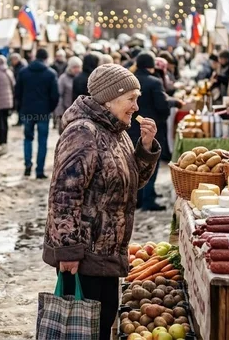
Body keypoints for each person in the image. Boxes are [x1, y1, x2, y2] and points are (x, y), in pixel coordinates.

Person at [43, 64, 161, 340]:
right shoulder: (83, 133)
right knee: (83, 329)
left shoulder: (116, 131)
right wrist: (68, 250)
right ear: (110, 99)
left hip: (107, 252)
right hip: (85, 254)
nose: (136, 106)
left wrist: (145, 147)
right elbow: (63, 196)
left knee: (104, 321)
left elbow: (131, 183)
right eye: (131, 98)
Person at [128, 53, 183, 211]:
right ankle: (148, 199)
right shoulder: (154, 81)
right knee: (150, 162)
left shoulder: (130, 80)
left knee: (135, 163)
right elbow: (162, 105)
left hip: (131, 127)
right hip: (150, 128)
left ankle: (138, 198)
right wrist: (169, 108)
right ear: (151, 66)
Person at [15, 48, 59, 179]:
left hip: (27, 110)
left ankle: (28, 165)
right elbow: (55, 95)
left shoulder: (23, 72)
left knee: (28, 139)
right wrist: (50, 109)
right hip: (43, 112)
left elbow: (17, 92)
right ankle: (40, 170)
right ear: (46, 58)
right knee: (42, 141)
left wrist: (21, 108)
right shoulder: (50, 73)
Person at [54, 56, 83, 134]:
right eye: (74, 67)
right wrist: (59, 112)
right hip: (66, 111)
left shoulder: (82, 78)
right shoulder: (63, 78)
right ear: (70, 67)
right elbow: (59, 95)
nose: (77, 69)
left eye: (78, 67)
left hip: (79, 112)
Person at [10, 52, 28, 127]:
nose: (11, 61)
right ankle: (20, 120)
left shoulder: (21, 67)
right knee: (19, 105)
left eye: (12, 60)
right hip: (20, 89)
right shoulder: (16, 67)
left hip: (22, 89)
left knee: (21, 105)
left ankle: (21, 121)